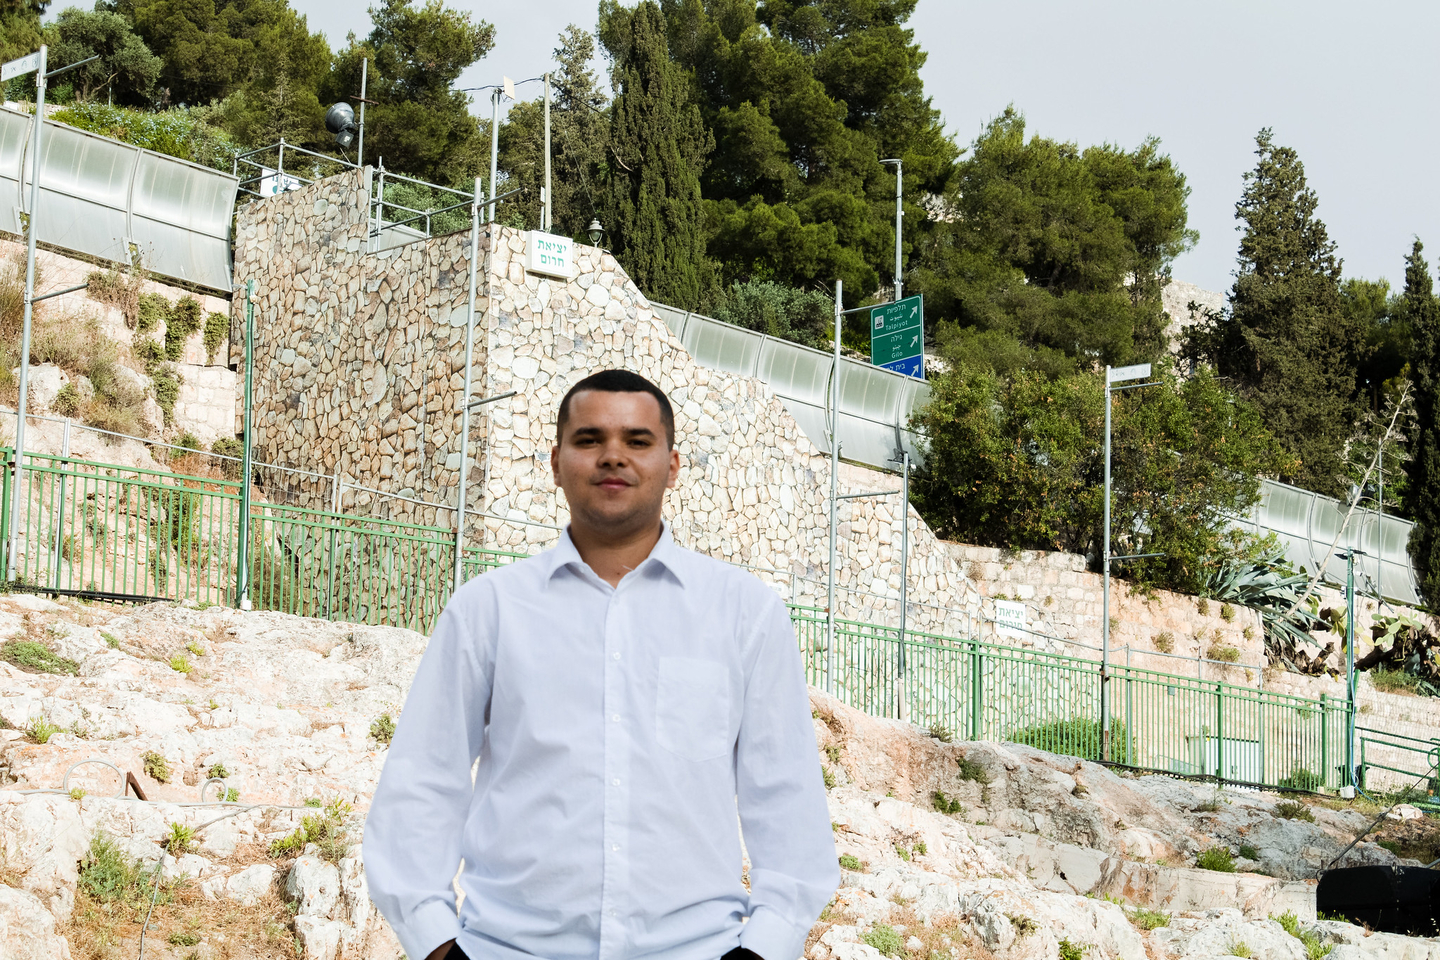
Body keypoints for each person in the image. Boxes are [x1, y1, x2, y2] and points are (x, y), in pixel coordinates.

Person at [364, 368, 838, 960]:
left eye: (638, 441)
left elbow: (786, 797)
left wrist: (763, 948)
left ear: (672, 464)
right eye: (589, 440)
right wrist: (436, 942)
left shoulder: (746, 615)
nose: (613, 456)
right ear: (556, 461)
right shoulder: (489, 610)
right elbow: (422, 781)